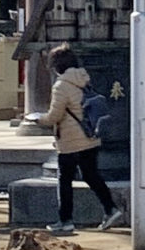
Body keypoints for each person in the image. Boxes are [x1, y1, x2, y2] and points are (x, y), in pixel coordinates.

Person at [43, 46, 124, 228]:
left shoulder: (61, 86)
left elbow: (54, 116)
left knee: (64, 180)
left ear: (57, 66)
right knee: (91, 175)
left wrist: (38, 119)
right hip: (90, 136)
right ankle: (110, 208)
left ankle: (65, 220)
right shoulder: (84, 79)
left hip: (70, 140)